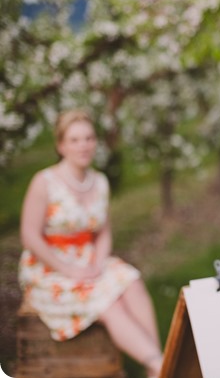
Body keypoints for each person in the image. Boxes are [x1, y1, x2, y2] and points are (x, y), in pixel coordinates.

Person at [19, 109, 163, 378]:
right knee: (108, 303)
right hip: (50, 266)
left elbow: (104, 231)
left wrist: (98, 262)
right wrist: (69, 269)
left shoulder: (99, 181)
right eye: (74, 140)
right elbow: (29, 235)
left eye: (88, 138)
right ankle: (159, 363)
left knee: (132, 281)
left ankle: (155, 368)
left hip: (89, 258)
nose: (83, 146)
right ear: (61, 145)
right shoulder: (44, 182)